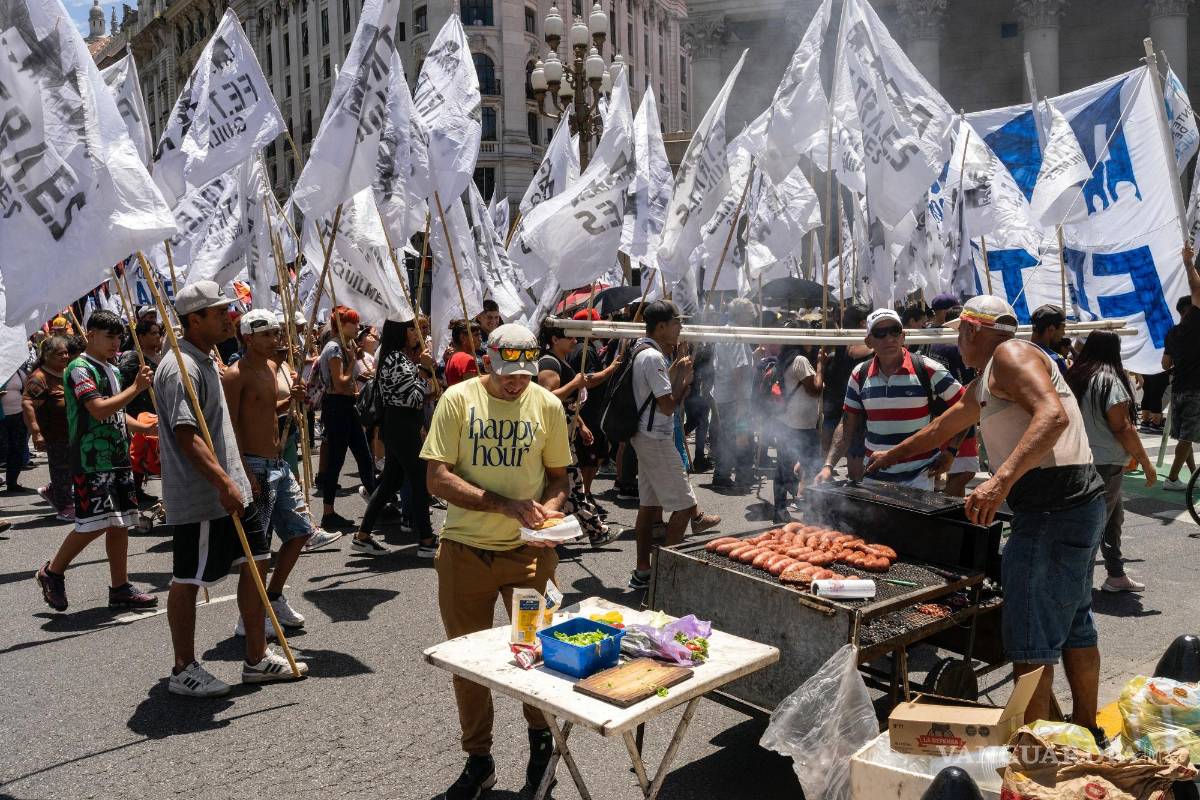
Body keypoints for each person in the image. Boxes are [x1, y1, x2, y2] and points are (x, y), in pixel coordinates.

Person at [867, 295, 1105, 731]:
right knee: (1074, 623)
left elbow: (1052, 417)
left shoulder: (1010, 354)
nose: (957, 342)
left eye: (959, 333)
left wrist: (999, 480)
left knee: (1031, 638)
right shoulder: (988, 378)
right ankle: (1086, 731)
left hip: (1052, 508)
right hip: (1077, 504)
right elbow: (943, 427)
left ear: (972, 331)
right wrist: (888, 457)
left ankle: (1040, 758)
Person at [421, 323, 570, 800]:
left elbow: (558, 479)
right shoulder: (458, 400)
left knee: (537, 659)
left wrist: (550, 513)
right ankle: (479, 761)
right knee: (468, 664)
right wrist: (502, 503)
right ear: (487, 361)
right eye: (508, 373)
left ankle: (542, 754)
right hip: (464, 554)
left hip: (529, 558)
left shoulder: (547, 405)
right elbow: (437, 479)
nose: (516, 382)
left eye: (525, 374)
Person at [155, 282, 307, 697]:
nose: (229, 317)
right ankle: (183, 668)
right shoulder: (179, 366)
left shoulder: (206, 360)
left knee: (257, 564)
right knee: (188, 578)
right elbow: (187, 436)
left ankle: (256, 659)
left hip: (235, 489)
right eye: (219, 311)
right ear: (194, 319)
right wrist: (223, 482)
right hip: (205, 496)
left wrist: (237, 479)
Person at [34, 311, 158, 612]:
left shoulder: (111, 369)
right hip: (91, 459)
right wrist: (136, 389)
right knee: (93, 523)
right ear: (90, 335)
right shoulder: (79, 367)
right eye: (109, 337)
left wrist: (143, 427)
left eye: (118, 338)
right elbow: (99, 409)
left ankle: (120, 587)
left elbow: (115, 412)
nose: (115, 343)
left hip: (117, 457)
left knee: (121, 523)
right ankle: (52, 572)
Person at [222, 310, 319, 636]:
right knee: (258, 549)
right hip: (255, 466)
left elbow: (265, 411)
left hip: (279, 463)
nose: (274, 340)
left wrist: (290, 402)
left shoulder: (273, 368)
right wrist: (244, 471)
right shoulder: (235, 375)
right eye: (266, 334)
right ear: (248, 337)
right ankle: (247, 618)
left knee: (301, 530)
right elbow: (231, 425)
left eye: (276, 333)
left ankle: (273, 596)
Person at [815, 309, 964, 489]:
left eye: (894, 331)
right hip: (873, 474)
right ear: (868, 341)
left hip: (919, 477)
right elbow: (847, 425)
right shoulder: (859, 374)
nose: (889, 338)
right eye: (880, 333)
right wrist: (828, 466)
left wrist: (951, 451)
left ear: (903, 337)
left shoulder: (928, 369)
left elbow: (966, 407)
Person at [628, 301, 721, 591]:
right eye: (676, 323)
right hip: (655, 437)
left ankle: (644, 571)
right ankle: (664, 577)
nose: (680, 327)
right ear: (661, 326)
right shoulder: (653, 356)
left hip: (645, 435)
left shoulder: (640, 350)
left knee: (649, 505)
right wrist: (683, 383)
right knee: (684, 506)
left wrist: (678, 371)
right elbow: (667, 405)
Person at [1065, 331, 1156, 593]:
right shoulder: (1109, 381)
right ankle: (1077, 585)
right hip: (1105, 462)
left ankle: (1115, 574)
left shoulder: (1076, 376)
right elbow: (1123, 428)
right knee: (1096, 525)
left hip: (1081, 457)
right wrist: (1145, 463)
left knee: (1112, 519)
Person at [357, 320, 437, 557]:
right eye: (411, 329)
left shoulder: (397, 358)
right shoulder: (395, 359)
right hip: (401, 426)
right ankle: (426, 539)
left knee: (390, 482)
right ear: (400, 333)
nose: (416, 334)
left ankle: (363, 536)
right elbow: (413, 398)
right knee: (420, 480)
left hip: (398, 426)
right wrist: (422, 370)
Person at [537, 320, 619, 546]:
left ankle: (565, 529)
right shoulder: (549, 364)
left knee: (570, 484)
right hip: (556, 436)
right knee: (571, 483)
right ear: (554, 339)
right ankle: (596, 530)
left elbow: (567, 405)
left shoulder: (558, 361)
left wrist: (580, 424)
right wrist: (574, 383)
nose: (575, 341)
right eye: (570, 337)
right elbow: (549, 398)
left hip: (565, 433)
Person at [316, 305, 378, 531]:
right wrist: (352, 360)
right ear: (342, 326)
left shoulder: (342, 346)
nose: (357, 326)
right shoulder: (333, 348)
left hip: (346, 405)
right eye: (353, 323)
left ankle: (376, 505)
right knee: (336, 461)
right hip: (337, 407)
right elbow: (340, 382)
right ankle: (328, 512)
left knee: (363, 455)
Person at [22, 335, 80, 521]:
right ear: (47, 356)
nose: (65, 357)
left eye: (66, 353)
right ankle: (65, 507)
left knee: (73, 466)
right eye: (59, 354)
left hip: (72, 430)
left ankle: (53, 490)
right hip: (55, 433)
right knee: (61, 468)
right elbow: (28, 404)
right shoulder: (39, 378)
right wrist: (36, 433)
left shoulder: (66, 372)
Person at [772, 340, 824, 522]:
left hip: (785, 421)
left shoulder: (785, 359)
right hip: (802, 425)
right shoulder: (800, 360)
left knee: (782, 469)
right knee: (812, 467)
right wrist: (820, 365)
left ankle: (779, 511)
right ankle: (811, 512)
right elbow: (815, 390)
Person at [116, 317, 164, 504]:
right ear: (141, 336)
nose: (158, 337)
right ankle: (131, 493)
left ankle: (138, 491)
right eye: (153, 333)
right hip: (136, 412)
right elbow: (122, 386)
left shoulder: (159, 358)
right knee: (135, 454)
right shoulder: (133, 358)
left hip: (154, 411)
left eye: (159, 333)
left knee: (149, 454)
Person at [1164, 252, 1200, 490]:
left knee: (1184, 435)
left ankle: (1192, 474)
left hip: (1178, 387)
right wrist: (1188, 264)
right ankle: (1173, 479)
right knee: (1188, 436)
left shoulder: (1172, 332)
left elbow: (1165, 365)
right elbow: (1196, 287)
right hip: (1197, 387)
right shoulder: (1197, 323)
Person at [712, 298, 757, 488]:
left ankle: (724, 475)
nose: (753, 318)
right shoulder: (736, 335)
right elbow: (738, 371)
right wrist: (742, 403)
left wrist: (755, 356)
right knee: (740, 437)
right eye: (750, 314)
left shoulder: (726, 330)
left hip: (725, 394)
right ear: (741, 315)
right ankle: (737, 476)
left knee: (729, 436)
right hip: (734, 397)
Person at [1030, 305, 1069, 375]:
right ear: (1051, 329)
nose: (1063, 333)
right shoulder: (1055, 360)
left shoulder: (1018, 355)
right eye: (1062, 328)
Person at [444, 320, 482, 386]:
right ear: (463, 338)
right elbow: (472, 390)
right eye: (476, 335)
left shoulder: (454, 358)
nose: (480, 339)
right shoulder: (466, 359)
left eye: (480, 335)